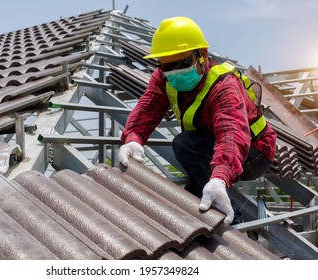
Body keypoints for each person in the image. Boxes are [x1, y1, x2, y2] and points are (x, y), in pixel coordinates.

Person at [118, 16, 277, 225]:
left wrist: (220, 178)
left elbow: (232, 135)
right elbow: (147, 108)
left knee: (185, 144)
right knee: (191, 201)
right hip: (211, 144)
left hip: (254, 152)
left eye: (182, 63)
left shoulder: (224, 86)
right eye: (166, 66)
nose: (174, 72)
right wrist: (133, 139)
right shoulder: (164, 75)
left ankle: (233, 221)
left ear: (201, 56)